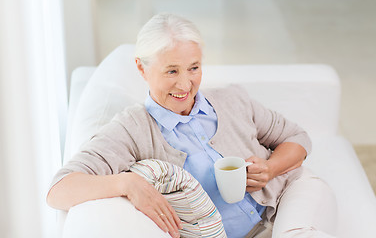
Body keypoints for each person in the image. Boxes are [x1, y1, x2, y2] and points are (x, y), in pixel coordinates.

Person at [47, 13, 337, 238]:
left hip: (291, 197)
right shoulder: (131, 129)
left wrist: (270, 169)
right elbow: (58, 190)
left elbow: (297, 138)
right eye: (171, 70)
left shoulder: (231, 99)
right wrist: (127, 183)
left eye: (194, 68)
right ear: (141, 68)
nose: (185, 84)